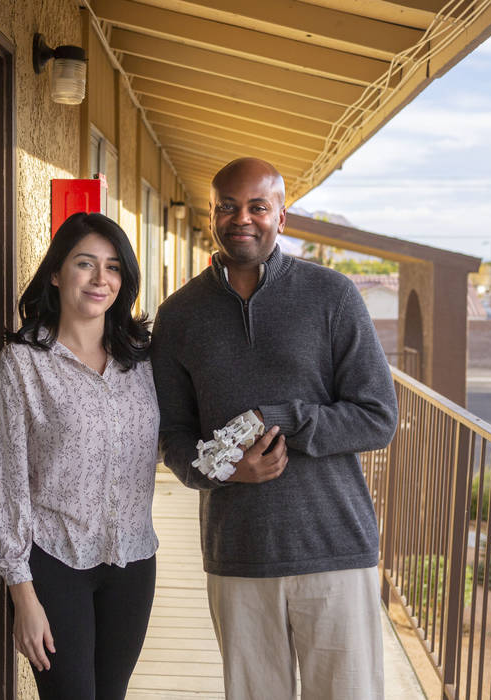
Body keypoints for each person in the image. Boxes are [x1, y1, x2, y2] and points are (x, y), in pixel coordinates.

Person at [150, 158, 398, 699]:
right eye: (229, 207)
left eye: (258, 206)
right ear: (211, 215)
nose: (244, 218)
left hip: (335, 547)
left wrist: (282, 417)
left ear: (280, 217)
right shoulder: (179, 315)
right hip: (238, 553)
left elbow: (379, 416)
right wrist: (224, 471)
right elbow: (172, 435)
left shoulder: (332, 296)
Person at [0, 212, 159, 700]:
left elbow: (165, 442)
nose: (101, 279)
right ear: (57, 273)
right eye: (86, 264)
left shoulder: (142, 360)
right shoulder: (21, 365)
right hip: (55, 565)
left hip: (133, 561)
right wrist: (23, 594)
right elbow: (6, 483)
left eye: (114, 267)